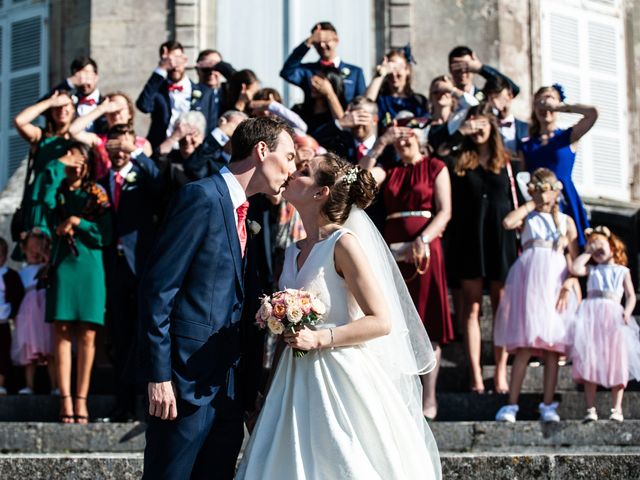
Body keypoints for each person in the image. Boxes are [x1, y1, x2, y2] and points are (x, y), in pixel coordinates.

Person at [236, 153, 441, 479]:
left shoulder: (343, 244)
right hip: (292, 376)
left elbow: (381, 320)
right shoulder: (292, 251)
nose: (292, 173)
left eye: (303, 171)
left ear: (321, 192)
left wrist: (320, 337)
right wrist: (269, 387)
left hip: (339, 374)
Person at [139, 116, 296, 479]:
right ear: (261, 151)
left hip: (230, 390)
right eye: (288, 157)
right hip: (184, 383)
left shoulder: (249, 213)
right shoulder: (201, 197)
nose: (291, 170)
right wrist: (159, 375)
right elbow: (158, 290)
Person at [361, 121, 453, 421]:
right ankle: (399, 394)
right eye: (397, 133)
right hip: (391, 250)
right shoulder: (392, 171)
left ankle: (429, 396)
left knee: (428, 323)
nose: (403, 138)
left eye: (407, 132)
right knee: (395, 321)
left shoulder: (435, 166)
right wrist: (380, 144)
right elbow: (358, 180)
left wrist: (423, 239)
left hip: (425, 248)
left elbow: (445, 210)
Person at [494, 168, 580, 423]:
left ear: (556, 192)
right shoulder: (528, 217)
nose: (545, 194)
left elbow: (574, 262)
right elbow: (508, 222)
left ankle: (548, 404)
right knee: (526, 346)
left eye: (549, 189)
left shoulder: (566, 222)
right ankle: (511, 404)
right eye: (540, 189)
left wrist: (570, 284)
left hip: (555, 285)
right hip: (530, 283)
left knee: (552, 348)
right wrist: (532, 202)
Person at [448, 104, 521, 394]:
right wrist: (461, 130)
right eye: (472, 123)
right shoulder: (458, 159)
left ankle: (502, 371)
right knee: (471, 306)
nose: (477, 128)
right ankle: (476, 373)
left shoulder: (508, 160)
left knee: (502, 307)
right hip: (470, 238)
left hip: (499, 238)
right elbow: (437, 148)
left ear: (492, 126)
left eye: (482, 122)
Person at [98, 124, 163, 422]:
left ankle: (146, 401)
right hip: (114, 266)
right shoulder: (100, 182)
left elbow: (161, 188)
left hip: (142, 264)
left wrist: (136, 151)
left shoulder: (142, 173)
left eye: (123, 142)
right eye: (114, 143)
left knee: (145, 332)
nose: (119, 149)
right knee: (120, 335)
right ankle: (122, 403)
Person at [45, 149, 111, 423]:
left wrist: (77, 221)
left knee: (87, 333)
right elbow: (42, 206)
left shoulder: (97, 193)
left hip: (90, 265)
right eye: (70, 161)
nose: (75, 166)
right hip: (63, 263)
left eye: (79, 161)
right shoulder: (56, 192)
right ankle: (65, 399)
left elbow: (105, 234)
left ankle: (81, 399)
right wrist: (57, 167)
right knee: (60, 330)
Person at [570, 226, 640, 423]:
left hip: (612, 317)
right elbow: (575, 268)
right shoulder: (592, 269)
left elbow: (631, 295)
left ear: (612, 246)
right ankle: (590, 408)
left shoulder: (621, 271)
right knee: (590, 360)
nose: (597, 251)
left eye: (601, 246)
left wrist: (627, 311)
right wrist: (588, 252)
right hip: (592, 318)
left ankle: (616, 408)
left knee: (616, 360)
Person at [521, 85, 598, 247]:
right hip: (539, 201)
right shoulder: (527, 144)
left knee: (572, 246)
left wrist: (560, 107)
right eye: (540, 101)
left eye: (550, 98)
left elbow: (593, 113)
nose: (544, 104)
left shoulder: (567, 136)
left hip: (565, 198)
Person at [13, 91, 84, 248]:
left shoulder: (80, 139)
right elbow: (19, 121)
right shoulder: (41, 136)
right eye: (57, 107)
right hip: (39, 203)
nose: (61, 110)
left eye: (66, 106)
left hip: (65, 204)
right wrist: (50, 102)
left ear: (74, 109)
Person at [136, 40, 218, 150]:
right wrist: (161, 69)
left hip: (192, 152)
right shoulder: (158, 90)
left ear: (185, 60)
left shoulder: (206, 92)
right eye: (169, 60)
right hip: (162, 151)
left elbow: (211, 126)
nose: (174, 65)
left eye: (177, 58)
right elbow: (143, 106)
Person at [68, 91, 153, 179]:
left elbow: (150, 171)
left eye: (120, 108)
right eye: (112, 108)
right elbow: (72, 130)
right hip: (103, 190)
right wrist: (102, 109)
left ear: (130, 113)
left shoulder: (142, 144)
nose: (115, 112)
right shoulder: (99, 140)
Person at [11, 230, 55, 395]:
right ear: (24, 249)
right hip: (29, 319)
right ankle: (29, 385)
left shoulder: (48, 269)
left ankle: (55, 386)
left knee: (51, 352)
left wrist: (47, 258)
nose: (35, 252)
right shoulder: (21, 273)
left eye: (39, 247)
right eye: (32, 248)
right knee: (29, 353)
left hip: (45, 315)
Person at [280, 21, 365, 107]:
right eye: (317, 42)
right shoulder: (308, 71)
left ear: (336, 40)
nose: (322, 45)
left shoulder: (355, 72)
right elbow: (287, 72)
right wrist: (308, 42)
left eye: (325, 41)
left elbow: (361, 103)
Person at [180, 110, 249, 181]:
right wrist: (220, 132)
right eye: (235, 128)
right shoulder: (211, 161)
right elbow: (193, 166)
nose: (240, 135)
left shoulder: (251, 162)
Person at [365, 47, 428, 123]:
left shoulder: (418, 101)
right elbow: (366, 104)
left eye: (397, 68)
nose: (393, 74)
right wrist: (382, 73)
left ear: (407, 70)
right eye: (390, 69)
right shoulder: (381, 99)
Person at [46, 56, 106, 133]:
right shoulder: (69, 102)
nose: (84, 80)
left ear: (96, 77)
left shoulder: (106, 103)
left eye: (87, 75)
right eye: (79, 76)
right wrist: (70, 83)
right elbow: (43, 107)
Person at [448, 46, 520, 101]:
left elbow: (512, 90)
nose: (462, 72)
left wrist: (481, 69)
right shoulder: (446, 97)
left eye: (467, 67)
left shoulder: (482, 96)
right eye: (457, 68)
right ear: (450, 68)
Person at [0, 238, 25, 396]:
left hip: (2, 322)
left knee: (2, 354)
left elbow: (17, 296)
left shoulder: (11, 275)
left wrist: (12, 313)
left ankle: (1, 384)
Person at [484, 76, 528, 158]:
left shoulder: (526, 128)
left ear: (510, 96)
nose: (495, 103)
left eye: (498, 96)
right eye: (491, 99)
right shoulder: (485, 127)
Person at [195, 49, 236, 124]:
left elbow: (241, 80)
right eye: (206, 69)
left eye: (216, 68)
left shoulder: (228, 92)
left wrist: (220, 65)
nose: (211, 72)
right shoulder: (190, 90)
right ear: (197, 69)